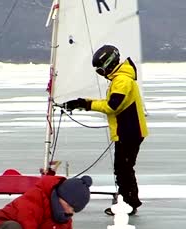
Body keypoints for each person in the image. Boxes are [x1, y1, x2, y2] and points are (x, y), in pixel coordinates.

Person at [63, 45, 148, 216]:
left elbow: (112, 105)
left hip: (129, 132)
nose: (101, 74)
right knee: (123, 169)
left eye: (101, 70)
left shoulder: (122, 80)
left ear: (108, 64)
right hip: (128, 132)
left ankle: (129, 204)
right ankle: (129, 202)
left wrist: (84, 104)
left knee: (124, 170)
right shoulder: (120, 78)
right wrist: (83, 102)